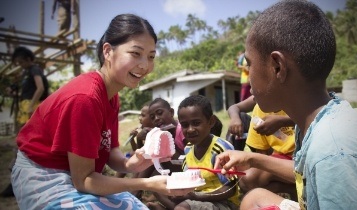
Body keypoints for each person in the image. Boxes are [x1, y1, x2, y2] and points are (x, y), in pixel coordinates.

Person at [214, 1, 357, 210]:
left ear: (277, 67)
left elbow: (325, 166)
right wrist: (251, 158)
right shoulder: (319, 118)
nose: (248, 76)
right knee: (254, 197)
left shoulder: (333, 154)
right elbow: (305, 172)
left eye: (250, 64)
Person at [11, 14, 193, 210]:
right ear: (108, 51)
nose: (144, 65)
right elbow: (84, 181)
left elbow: (110, 150)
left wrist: (129, 164)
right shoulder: (86, 98)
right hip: (43, 174)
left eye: (151, 56)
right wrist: (145, 183)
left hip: (74, 174)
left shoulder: (112, 96)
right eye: (135, 53)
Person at [149, 95, 240, 210]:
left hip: (225, 203)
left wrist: (197, 197)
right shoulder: (189, 148)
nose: (190, 129)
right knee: (157, 186)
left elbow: (231, 189)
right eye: (185, 125)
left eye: (196, 123)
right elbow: (187, 178)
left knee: (183, 207)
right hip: (196, 199)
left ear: (211, 122)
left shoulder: (220, 149)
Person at [0, 46, 49, 198]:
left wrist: (29, 106)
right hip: (26, 107)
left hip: (31, 108)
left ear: (28, 59)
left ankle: (20, 181)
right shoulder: (26, 73)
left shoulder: (35, 69)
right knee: (23, 143)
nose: (20, 65)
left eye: (21, 62)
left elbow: (40, 88)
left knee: (25, 144)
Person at [228, 95, 296, 197]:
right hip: (282, 157)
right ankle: (289, 189)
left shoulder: (297, 98)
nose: (250, 91)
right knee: (247, 178)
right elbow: (261, 152)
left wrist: (283, 121)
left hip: (306, 156)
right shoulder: (259, 110)